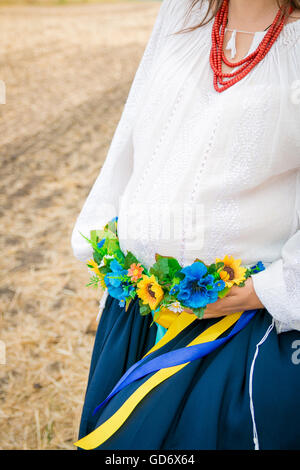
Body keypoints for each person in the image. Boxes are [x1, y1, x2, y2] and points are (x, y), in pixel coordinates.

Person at [71, 0, 300, 450]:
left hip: (239, 324)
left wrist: (269, 291)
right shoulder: (180, 13)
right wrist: (107, 241)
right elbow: (134, 129)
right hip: (139, 309)